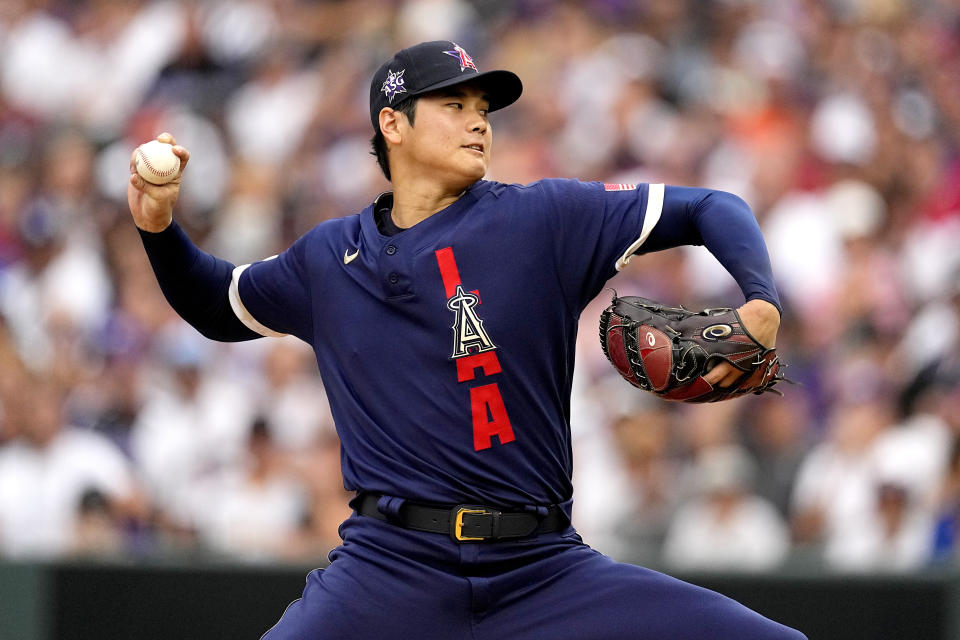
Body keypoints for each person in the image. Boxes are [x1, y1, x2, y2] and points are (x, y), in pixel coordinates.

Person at [128, 40, 805, 639]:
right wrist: (159, 228)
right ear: (392, 124)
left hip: (542, 573)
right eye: (452, 104)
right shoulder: (327, 260)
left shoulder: (544, 219)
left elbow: (714, 207)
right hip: (387, 572)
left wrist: (761, 301)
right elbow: (215, 303)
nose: (478, 118)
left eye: (482, 104)